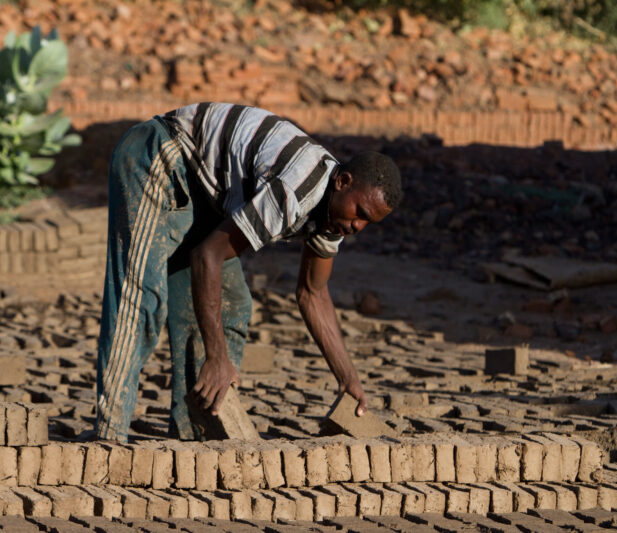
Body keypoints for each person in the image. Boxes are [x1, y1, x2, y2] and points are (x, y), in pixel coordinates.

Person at [96, 102, 402, 442]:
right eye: (359, 212)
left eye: (368, 222)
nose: (357, 226)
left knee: (231, 306)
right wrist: (217, 357)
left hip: (206, 196)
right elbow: (207, 258)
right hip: (161, 156)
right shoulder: (296, 190)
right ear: (343, 181)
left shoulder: (335, 216)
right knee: (142, 300)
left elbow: (313, 294)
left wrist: (348, 379)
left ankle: (194, 436)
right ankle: (107, 438)